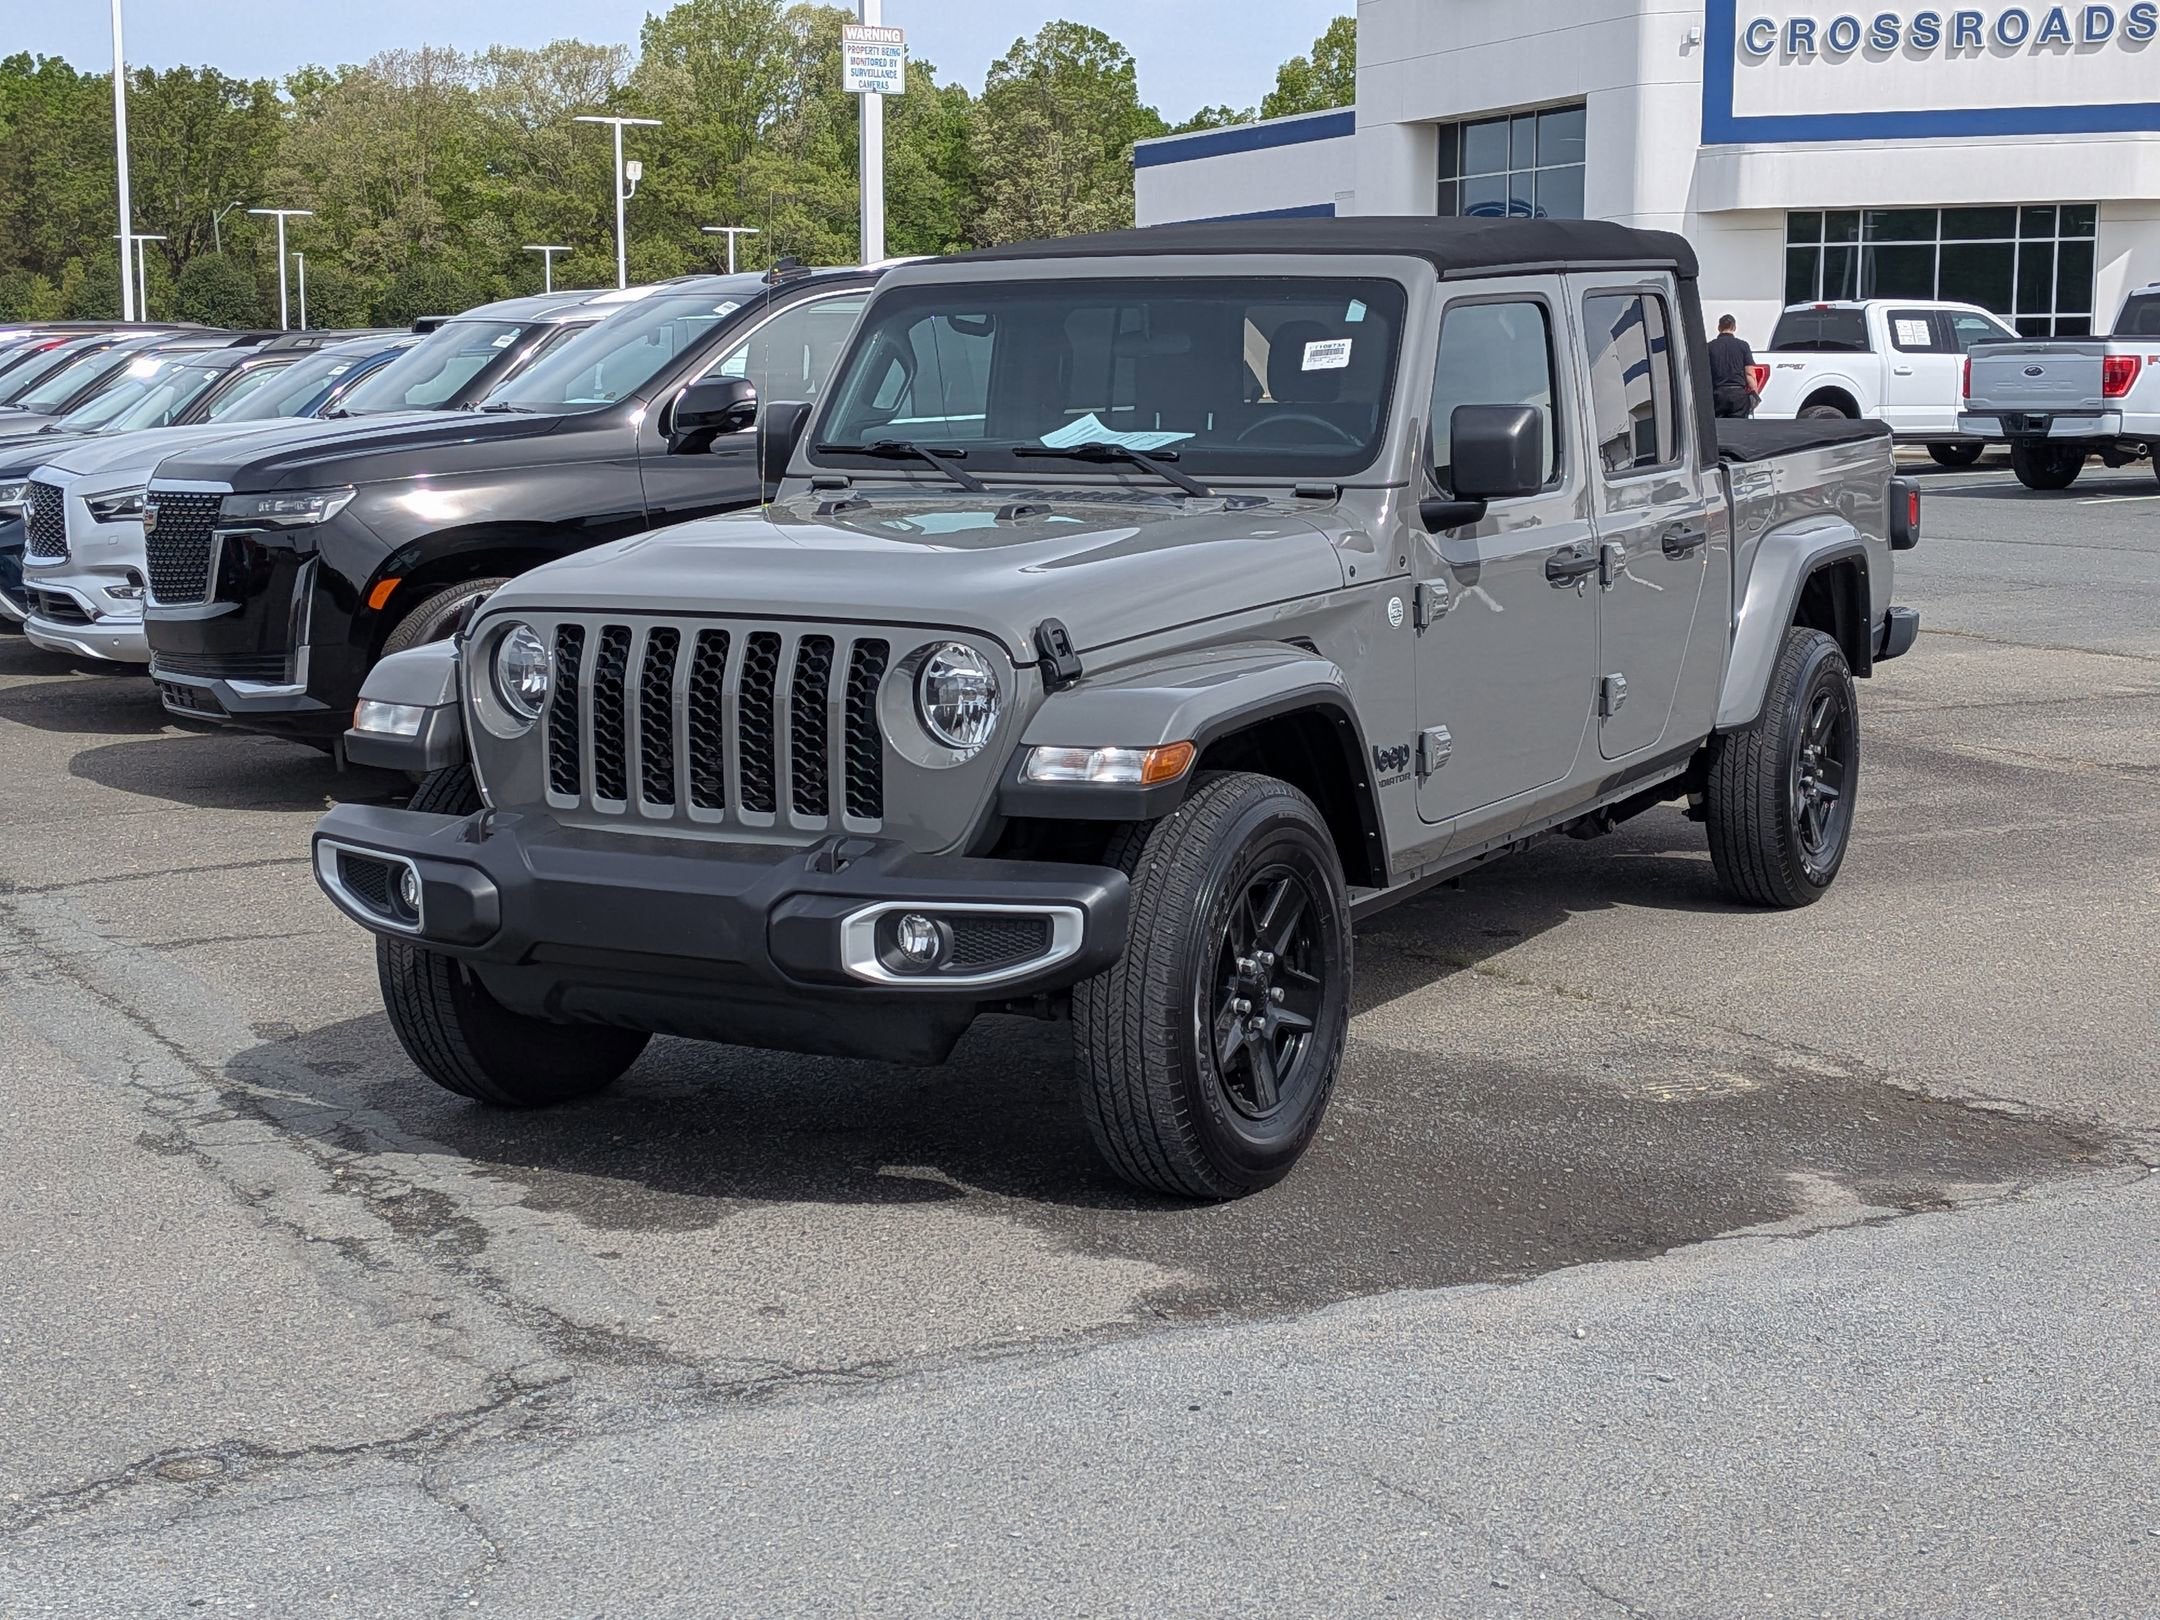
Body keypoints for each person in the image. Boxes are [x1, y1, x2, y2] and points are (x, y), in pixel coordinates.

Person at [1708, 314, 1757, 419]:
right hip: (1738, 395)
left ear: (1719, 327)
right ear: (1734, 327)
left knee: (1718, 429)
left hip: (1717, 395)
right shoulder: (1743, 345)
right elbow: (1749, 373)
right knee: (1737, 429)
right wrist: (1754, 394)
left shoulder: (1710, 346)